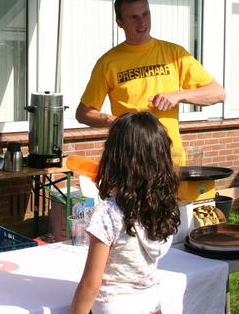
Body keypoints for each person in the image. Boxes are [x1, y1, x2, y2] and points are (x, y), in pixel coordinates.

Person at [76, 0, 225, 149]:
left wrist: (178, 95)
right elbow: (83, 113)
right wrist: (119, 122)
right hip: (129, 155)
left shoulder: (175, 54)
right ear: (120, 23)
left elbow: (218, 94)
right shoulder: (107, 62)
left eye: (145, 14)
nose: (142, 22)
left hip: (169, 155)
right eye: (133, 17)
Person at [69, 112, 180, 314]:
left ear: (114, 156)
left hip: (113, 307)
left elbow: (90, 285)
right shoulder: (165, 207)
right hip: (151, 305)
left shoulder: (108, 213)